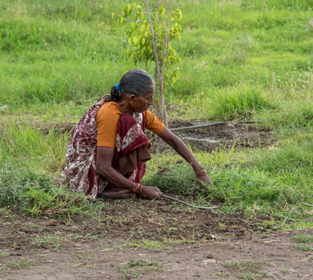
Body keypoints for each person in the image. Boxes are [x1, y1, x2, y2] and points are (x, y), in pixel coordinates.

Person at [62, 69, 211, 199]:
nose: (151, 102)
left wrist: (200, 171)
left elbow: (171, 139)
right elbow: (102, 166)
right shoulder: (109, 113)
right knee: (128, 123)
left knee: (132, 122)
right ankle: (111, 187)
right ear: (132, 98)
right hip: (85, 171)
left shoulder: (139, 113)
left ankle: (116, 184)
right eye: (147, 98)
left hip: (101, 166)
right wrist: (140, 189)